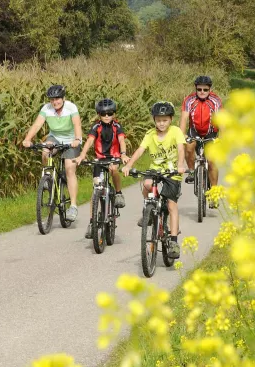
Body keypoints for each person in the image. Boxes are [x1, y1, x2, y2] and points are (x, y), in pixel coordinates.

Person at [122, 101, 186, 259]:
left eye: (165, 120)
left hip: (172, 171)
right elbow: (140, 150)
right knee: (147, 183)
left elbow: (180, 149)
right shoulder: (150, 134)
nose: (161, 123)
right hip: (155, 169)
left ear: (171, 119)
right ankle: (149, 210)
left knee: (171, 205)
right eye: (158, 120)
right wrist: (129, 165)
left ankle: (173, 241)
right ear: (154, 120)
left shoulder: (176, 131)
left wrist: (180, 165)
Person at [22, 84, 83, 221]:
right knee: (45, 150)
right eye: (52, 99)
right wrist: (27, 139)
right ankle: (48, 176)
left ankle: (73, 206)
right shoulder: (46, 109)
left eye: (57, 99)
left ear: (63, 98)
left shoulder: (71, 107)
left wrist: (77, 139)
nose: (55, 102)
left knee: (69, 169)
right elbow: (37, 125)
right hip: (54, 137)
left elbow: (77, 125)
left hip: (71, 140)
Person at [75, 98, 128, 239]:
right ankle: (92, 222)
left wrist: (123, 155)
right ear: (99, 114)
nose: (106, 116)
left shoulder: (117, 126)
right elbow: (90, 141)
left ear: (113, 114)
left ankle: (118, 193)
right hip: (100, 159)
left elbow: (122, 141)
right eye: (103, 114)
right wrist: (82, 155)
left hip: (114, 157)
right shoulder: (96, 127)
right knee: (96, 188)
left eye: (109, 113)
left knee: (113, 170)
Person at [181, 75, 222, 204]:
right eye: (199, 89)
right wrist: (182, 136)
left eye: (205, 89)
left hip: (211, 132)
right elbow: (183, 119)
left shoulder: (216, 100)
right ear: (196, 89)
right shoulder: (189, 100)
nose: (202, 92)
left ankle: (214, 193)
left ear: (210, 89)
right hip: (195, 131)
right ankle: (192, 171)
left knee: (211, 161)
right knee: (188, 147)